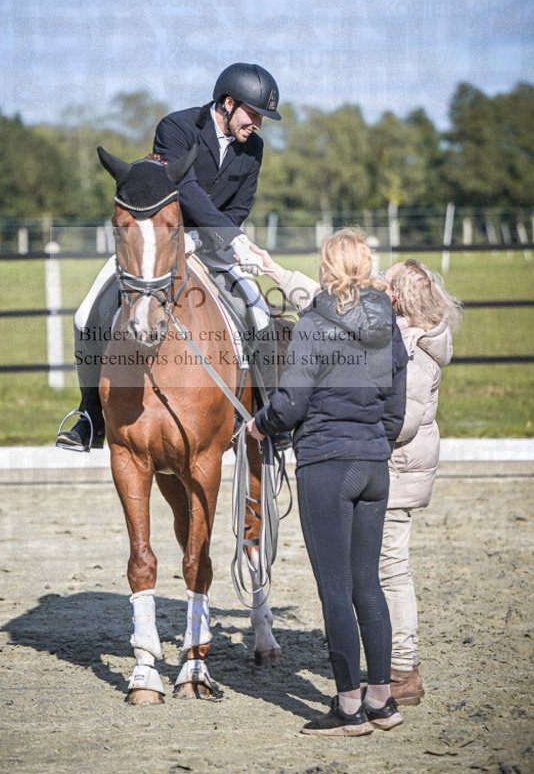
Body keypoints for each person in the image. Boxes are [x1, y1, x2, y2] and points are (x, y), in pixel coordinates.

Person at [56, 62, 282, 452]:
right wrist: (224, 236)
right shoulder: (176, 128)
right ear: (228, 103)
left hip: (211, 248)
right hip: (156, 242)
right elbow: (188, 190)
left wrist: (222, 241)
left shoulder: (253, 149)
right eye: (254, 114)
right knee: (84, 314)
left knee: (260, 315)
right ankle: (89, 415)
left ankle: (269, 414)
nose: (258, 124)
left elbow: (240, 205)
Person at [246, 230, 408, 735]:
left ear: (327, 270)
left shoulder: (314, 325)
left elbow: (291, 403)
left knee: (335, 590)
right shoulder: (389, 325)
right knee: (369, 585)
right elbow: (396, 411)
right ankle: (381, 700)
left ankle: (347, 707)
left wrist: (259, 425)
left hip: (326, 466)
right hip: (374, 467)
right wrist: (370, 442)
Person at [378, 259, 462, 705]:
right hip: (399, 470)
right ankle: (399, 663)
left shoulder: (413, 352)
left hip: (396, 471)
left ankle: (403, 671)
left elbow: (401, 423)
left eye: (385, 283)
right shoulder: (416, 340)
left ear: (399, 298)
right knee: (388, 568)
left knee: (391, 570)